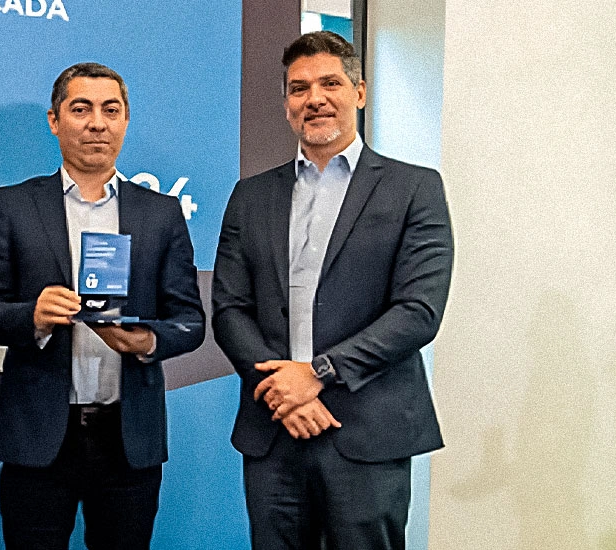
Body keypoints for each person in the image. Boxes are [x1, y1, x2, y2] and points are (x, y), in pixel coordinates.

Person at [212, 31, 454, 550]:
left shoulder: (415, 189)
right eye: (299, 88)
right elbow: (230, 308)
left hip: (367, 432)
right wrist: (284, 391)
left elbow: (418, 311)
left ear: (359, 92)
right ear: (285, 104)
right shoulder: (251, 195)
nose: (314, 99)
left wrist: (318, 374)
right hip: (274, 428)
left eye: (330, 84)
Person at [0, 62, 205, 549]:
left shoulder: (161, 214)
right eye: (81, 109)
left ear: (125, 120)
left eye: (110, 110)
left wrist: (147, 341)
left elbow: (190, 320)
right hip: (38, 438)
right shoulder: (13, 205)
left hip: (128, 440)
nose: (97, 123)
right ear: (55, 121)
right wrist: (32, 317)